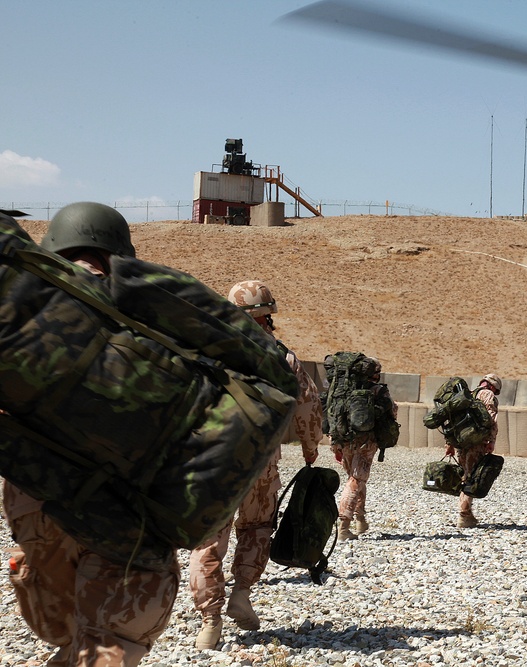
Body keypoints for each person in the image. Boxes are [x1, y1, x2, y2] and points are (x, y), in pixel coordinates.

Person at [3, 202, 179, 666]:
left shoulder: (21, 302)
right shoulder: (147, 306)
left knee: (67, 635)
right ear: (120, 250)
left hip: (36, 501)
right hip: (124, 507)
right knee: (107, 644)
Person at [189, 280, 323, 650]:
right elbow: (309, 410)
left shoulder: (207, 352)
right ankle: (242, 593)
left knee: (207, 540)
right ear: (267, 315)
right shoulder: (284, 358)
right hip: (261, 463)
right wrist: (311, 451)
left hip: (213, 462)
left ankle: (210, 621)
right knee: (258, 527)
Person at [332, 357, 397, 542]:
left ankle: (360, 519)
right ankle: (344, 526)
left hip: (344, 440)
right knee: (356, 479)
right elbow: (392, 412)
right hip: (366, 442)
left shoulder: (343, 390)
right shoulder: (378, 391)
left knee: (355, 479)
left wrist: (335, 443)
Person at [446, 374, 502, 528]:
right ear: (493, 386)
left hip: (461, 440)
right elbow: (492, 418)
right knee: (471, 477)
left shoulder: (468, 393)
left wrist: (449, 444)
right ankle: (464, 515)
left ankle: (467, 513)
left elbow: (452, 419)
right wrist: (491, 440)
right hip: (477, 442)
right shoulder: (488, 395)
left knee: (466, 474)